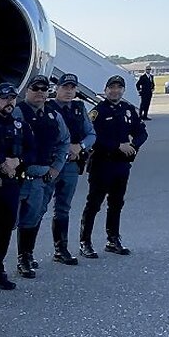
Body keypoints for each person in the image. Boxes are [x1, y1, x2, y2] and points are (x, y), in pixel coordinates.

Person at [80, 75, 148, 258]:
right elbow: (93, 138)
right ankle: (85, 241)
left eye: (119, 87)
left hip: (121, 165)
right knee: (94, 204)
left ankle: (113, 239)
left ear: (123, 90)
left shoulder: (127, 110)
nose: (115, 91)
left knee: (116, 203)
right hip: (102, 163)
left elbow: (141, 132)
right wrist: (117, 146)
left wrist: (134, 146)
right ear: (106, 89)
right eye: (112, 87)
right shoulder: (97, 111)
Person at [14, 74, 69, 280]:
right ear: (26, 90)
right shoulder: (18, 112)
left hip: (42, 178)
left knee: (33, 219)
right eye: (35, 88)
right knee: (8, 221)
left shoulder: (54, 116)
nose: (39, 92)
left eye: (43, 89)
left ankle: (25, 257)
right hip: (19, 177)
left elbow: (65, 141)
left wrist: (56, 167)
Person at [0, 83, 33, 291]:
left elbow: (32, 151)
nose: (9, 102)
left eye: (12, 98)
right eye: (4, 98)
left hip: (10, 186)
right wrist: (2, 161)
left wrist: (17, 161)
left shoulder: (20, 125)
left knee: (2, 233)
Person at [50, 73, 96, 265]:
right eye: (65, 87)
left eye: (72, 88)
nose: (69, 91)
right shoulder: (47, 107)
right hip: (51, 164)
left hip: (71, 165)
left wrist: (81, 147)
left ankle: (61, 249)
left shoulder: (79, 108)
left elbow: (91, 134)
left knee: (63, 208)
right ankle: (26, 255)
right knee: (36, 209)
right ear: (57, 88)